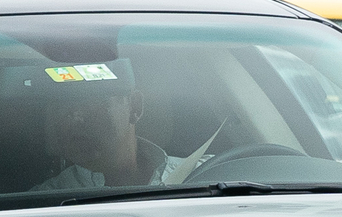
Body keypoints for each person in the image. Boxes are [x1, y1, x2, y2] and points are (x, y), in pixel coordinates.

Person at [32, 77, 211, 193]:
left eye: (91, 101)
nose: (74, 118)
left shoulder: (211, 173)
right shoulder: (41, 203)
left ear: (135, 106)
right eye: (60, 107)